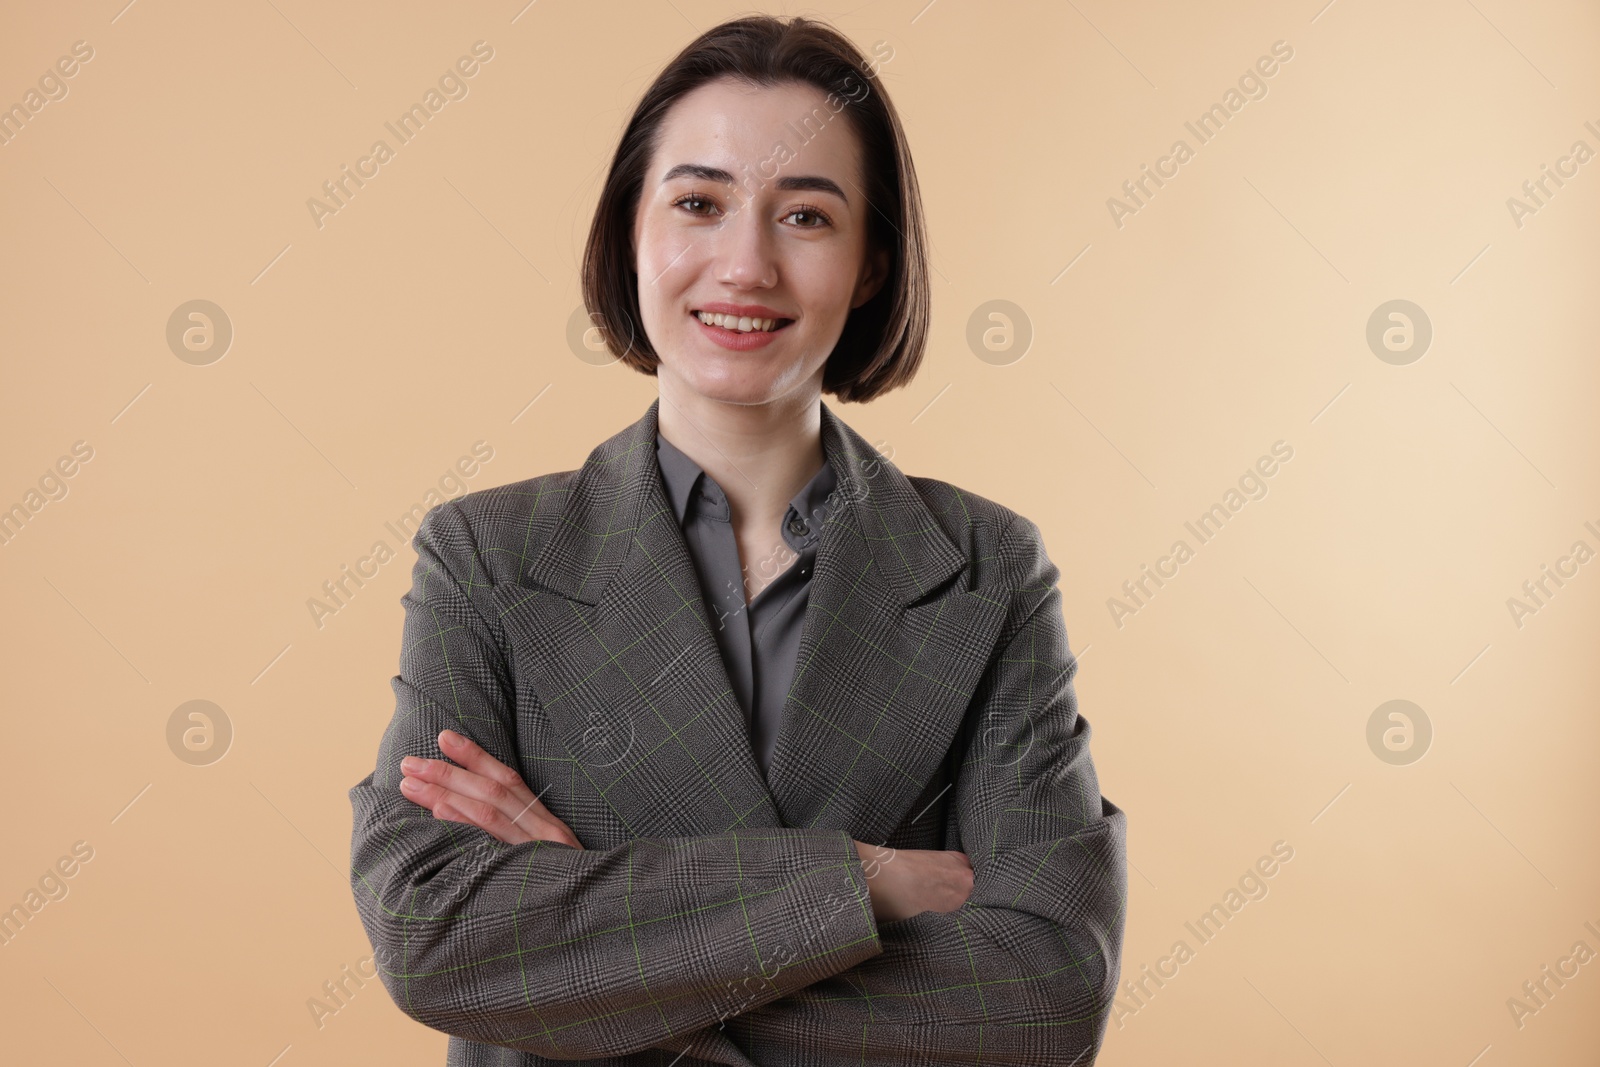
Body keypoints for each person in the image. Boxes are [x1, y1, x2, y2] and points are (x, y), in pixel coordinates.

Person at [347, 14, 1126, 1065]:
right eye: (699, 203)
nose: (745, 263)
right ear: (632, 231)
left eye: (805, 215)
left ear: (867, 264)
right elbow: (431, 932)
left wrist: (598, 942)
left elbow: (1043, 994)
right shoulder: (487, 556)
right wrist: (857, 882)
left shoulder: (987, 568)